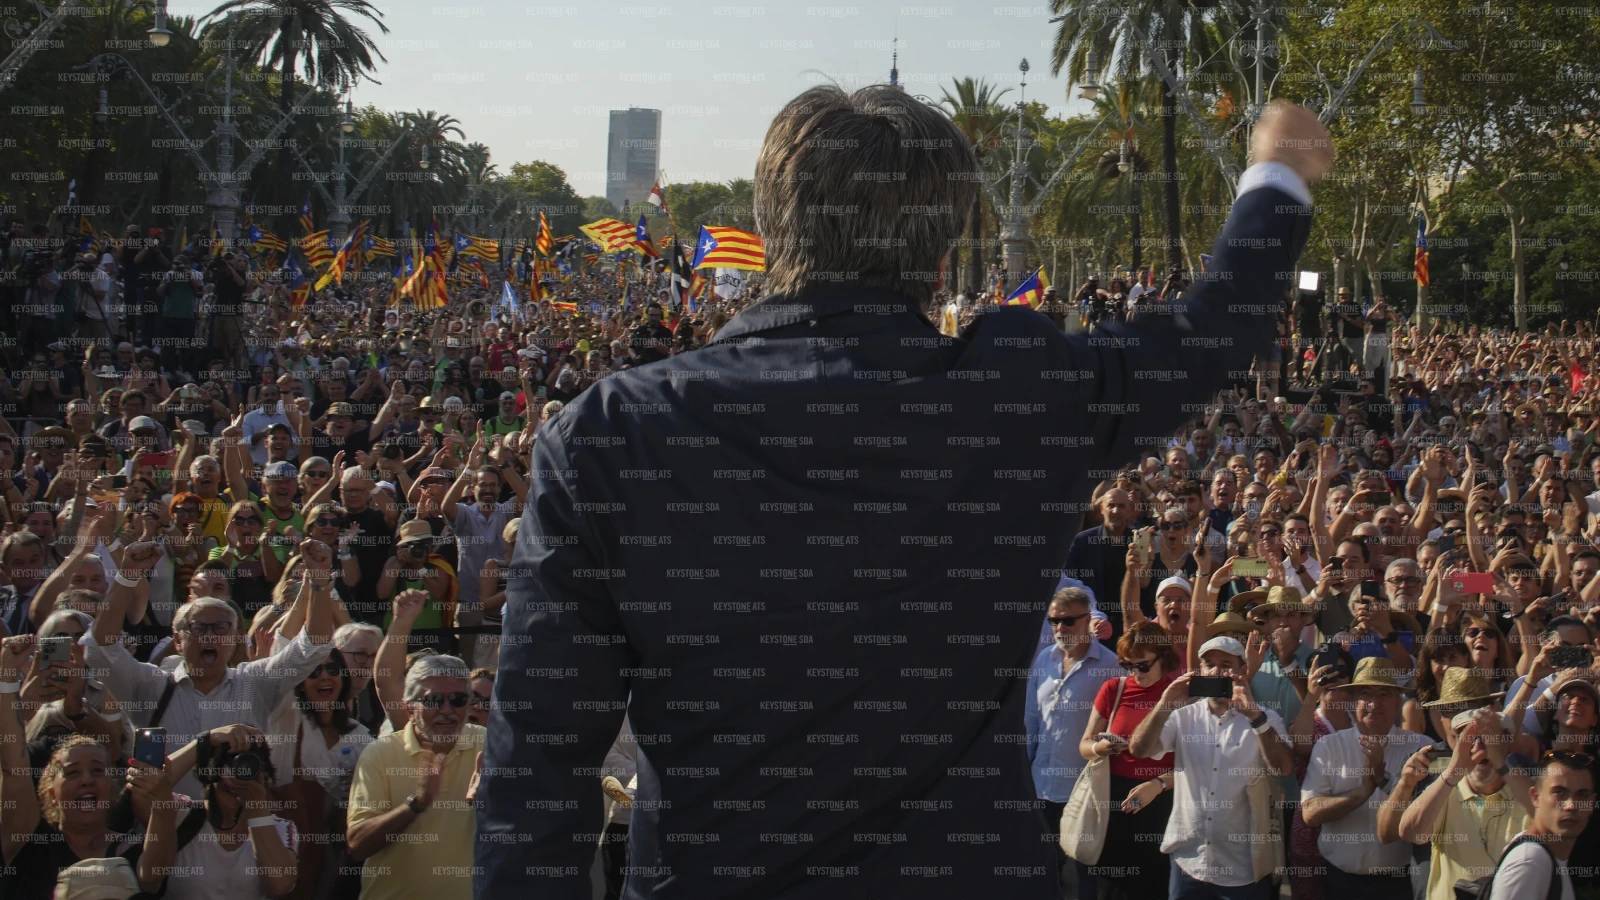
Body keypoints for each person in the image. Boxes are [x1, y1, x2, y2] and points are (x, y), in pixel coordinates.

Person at [478, 92, 1330, 897]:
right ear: (940, 256)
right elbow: (1210, 330)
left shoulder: (610, 434)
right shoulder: (1015, 393)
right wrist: (1278, 172)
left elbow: (537, 762)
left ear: (770, 231)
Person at [1128, 634, 1295, 899]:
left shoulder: (1265, 717)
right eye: (1209, 664)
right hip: (1188, 863)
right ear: (1200, 670)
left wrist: (1254, 716)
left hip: (1243, 869)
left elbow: (1283, 768)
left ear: (1242, 670)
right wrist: (1164, 704)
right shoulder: (1183, 715)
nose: (1216, 671)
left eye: (1226, 665)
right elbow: (1139, 749)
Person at [347, 653, 484, 900]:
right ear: (409, 708)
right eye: (433, 700)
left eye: (457, 699)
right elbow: (357, 844)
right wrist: (415, 804)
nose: (447, 710)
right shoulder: (379, 754)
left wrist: (494, 798)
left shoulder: (487, 744)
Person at [1300, 656, 1432, 899]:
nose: (1374, 703)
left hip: (1400, 884)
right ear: (1352, 701)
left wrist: (1387, 782)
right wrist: (1363, 791)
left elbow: (1430, 815)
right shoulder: (1329, 747)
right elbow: (1310, 813)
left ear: (1397, 702)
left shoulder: (1420, 749)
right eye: (1365, 694)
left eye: (1384, 694)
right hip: (1341, 882)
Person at [1024, 586, 1121, 897]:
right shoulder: (1044, 659)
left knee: (1084, 874)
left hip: (1083, 787)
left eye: (1068, 621)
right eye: (1054, 621)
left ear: (1087, 620)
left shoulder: (1111, 666)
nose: (1060, 629)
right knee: (1043, 868)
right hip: (1041, 784)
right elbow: (1031, 718)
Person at [1077, 619, 1180, 900]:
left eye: (1142, 665)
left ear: (1163, 658)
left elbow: (1194, 767)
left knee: (1154, 886)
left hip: (1161, 800)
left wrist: (1159, 785)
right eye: (1128, 665)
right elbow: (1085, 745)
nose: (1135, 673)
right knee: (1112, 887)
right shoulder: (1114, 689)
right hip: (1114, 798)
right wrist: (1102, 747)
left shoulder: (1179, 696)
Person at [1489, 751, 1596, 900]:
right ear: (1535, 797)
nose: (1571, 805)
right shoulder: (1529, 862)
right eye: (1559, 792)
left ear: (1592, 802)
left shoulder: (1545, 858)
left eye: (1582, 795)